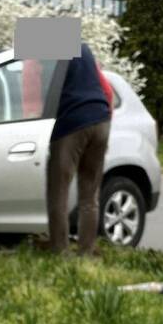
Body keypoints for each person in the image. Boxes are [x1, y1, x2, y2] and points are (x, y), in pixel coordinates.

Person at [46, 42, 114, 255]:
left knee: (58, 190)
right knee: (89, 194)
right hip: (101, 120)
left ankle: (60, 251)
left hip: (73, 123)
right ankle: (86, 251)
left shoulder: (50, 50)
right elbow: (107, 90)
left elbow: (36, 87)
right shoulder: (84, 48)